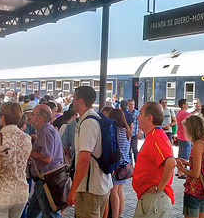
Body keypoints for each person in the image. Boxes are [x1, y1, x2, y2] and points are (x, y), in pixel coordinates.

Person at [66, 86, 113, 218]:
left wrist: (73, 190)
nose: (72, 101)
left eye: (74, 98)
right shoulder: (97, 118)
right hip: (101, 185)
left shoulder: (88, 123)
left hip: (90, 190)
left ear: (81, 101)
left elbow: (84, 159)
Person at [132, 101, 176, 218]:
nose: (137, 116)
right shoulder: (155, 135)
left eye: (140, 113)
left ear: (149, 118)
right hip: (153, 199)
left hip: (154, 200)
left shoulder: (155, 137)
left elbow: (171, 163)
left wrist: (158, 188)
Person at [27, 105, 64, 218]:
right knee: (32, 212)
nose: (30, 117)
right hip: (43, 179)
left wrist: (29, 152)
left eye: (33, 114)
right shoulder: (46, 130)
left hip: (46, 179)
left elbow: (47, 158)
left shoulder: (46, 131)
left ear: (40, 117)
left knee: (50, 214)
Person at [176, 115, 204, 218]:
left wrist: (181, 169)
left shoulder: (198, 145)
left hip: (195, 190)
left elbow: (196, 173)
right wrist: (189, 163)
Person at [108, 109, 132, 218]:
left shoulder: (115, 131)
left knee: (114, 192)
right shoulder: (127, 131)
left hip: (117, 164)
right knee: (120, 191)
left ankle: (115, 215)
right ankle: (120, 214)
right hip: (126, 164)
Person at [176, 98, 191, 178]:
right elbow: (193, 117)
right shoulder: (185, 114)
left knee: (180, 155)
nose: (188, 105)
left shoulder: (179, 113)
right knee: (185, 156)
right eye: (187, 104)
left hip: (180, 136)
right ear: (183, 105)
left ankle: (179, 171)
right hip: (185, 137)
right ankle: (182, 172)